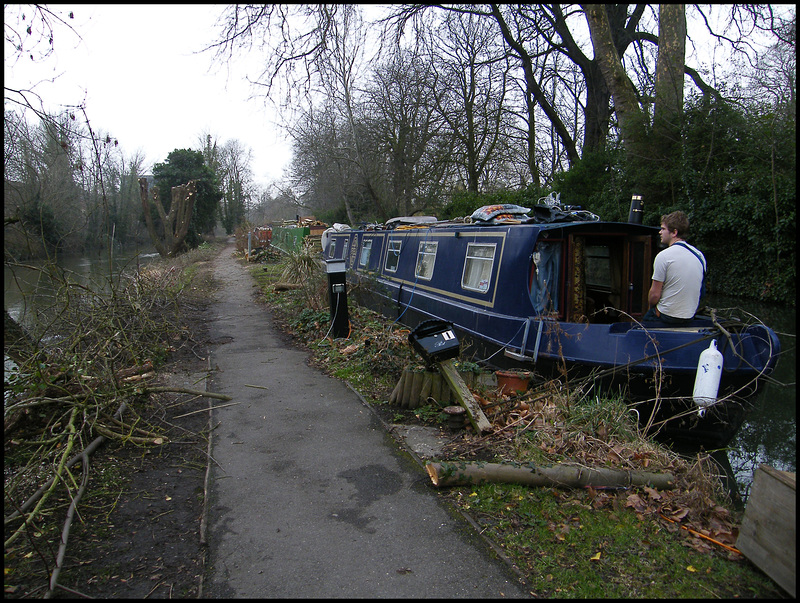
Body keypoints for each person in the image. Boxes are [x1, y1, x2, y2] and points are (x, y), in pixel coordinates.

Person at [643, 211, 706, 325]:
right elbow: (701, 291)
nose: (660, 232)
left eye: (663, 229)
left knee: (645, 320)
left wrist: (651, 308)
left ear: (674, 232)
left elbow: (654, 295)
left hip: (667, 317)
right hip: (689, 316)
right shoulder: (699, 255)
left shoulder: (664, 256)